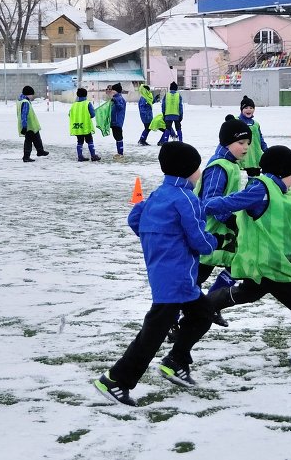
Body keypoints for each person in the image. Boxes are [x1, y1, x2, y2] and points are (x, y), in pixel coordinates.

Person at [93, 142, 222, 405]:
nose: (200, 172)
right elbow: (201, 242)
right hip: (177, 276)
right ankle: (116, 380)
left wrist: (158, 242)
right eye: (197, 167)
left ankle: (175, 362)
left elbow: (134, 219)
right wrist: (217, 241)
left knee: (203, 313)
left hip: (166, 271)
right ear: (189, 170)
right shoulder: (187, 199)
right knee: (154, 332)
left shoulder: (158, 194)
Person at [204, 145, 291, 368]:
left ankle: (200, 305)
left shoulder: (286, 197)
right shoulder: (261, 189)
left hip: (269, 267)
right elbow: (229, 202)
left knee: (246, 294)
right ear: (280, 172)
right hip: (272, 269)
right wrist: (199, 206)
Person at [195, 116, 253, 326]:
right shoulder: (219, 167)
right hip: (209, 231)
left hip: (223, 232)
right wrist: (229, 219)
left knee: (238, 264)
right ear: (226, 143)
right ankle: (174, 320)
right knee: (193, 281)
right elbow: (209, 201)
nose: (245, 148)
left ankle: (211, 305)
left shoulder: (231, 165)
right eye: (240, 143)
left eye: (248, 143)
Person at [237, 95, 268, 176]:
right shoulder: (237, 121)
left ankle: (252, 188)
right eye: (246, 108)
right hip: (244, 154)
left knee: (255, 177)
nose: (249, 110)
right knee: (235, 174)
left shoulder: (256, 124)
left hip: (255, 154)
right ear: (241, 109)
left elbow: (260, 139)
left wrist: (266, 149)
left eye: (251, 108)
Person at [17, 85, 49, 163]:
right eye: (32, 94)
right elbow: (24, 115)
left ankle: (40, 151)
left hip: (32, 125)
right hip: (28, 126)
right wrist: (24, 126)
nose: (32, 96)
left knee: (37, 137)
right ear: (28, 94)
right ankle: (26, 157)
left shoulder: (22, 101)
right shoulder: (25, 102)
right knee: (28, 141)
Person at [68, 87, 101, 162]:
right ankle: (93, 156)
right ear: (86, 95)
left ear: (77, 95)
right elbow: (92, 114)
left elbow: (70, 114)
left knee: (79, 141)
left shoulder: (74, 105)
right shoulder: (87, 103)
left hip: (77, 127)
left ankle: (80, 156)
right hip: (86, 126)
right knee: (89, 141)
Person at [107, 83, 127, 158]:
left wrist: (115, 101)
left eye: (113, 90)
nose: (112, 91)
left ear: (117, 91)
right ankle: (119, 152)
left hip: (117, 121)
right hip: (114, 121)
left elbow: (120, 107)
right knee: (116, 137)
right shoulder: (115, 98)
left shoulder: (119, 99)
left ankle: (120, 153)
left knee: (119, 137)